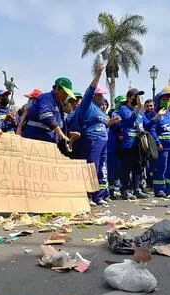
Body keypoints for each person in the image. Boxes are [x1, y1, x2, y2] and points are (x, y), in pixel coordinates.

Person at [73, 65, 121, 206]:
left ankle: (99, 196)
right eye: (101, 95)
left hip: (103, 141)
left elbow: (103, 124)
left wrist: (111, 122)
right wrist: (99, 74)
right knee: (91, 167)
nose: (103, 97)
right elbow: (89, 91)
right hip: (92, 140)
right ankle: (88, 195)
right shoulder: (87, 105)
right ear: (95, 96)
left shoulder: (100, 111)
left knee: (102, 168)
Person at [114, 88, 150, 200]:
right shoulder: (124, 109)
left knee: (138, 168)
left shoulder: (141, 112)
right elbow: (129, 121)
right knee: (126, 168)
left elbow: (147, 124)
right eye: (136, 96)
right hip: (128, 144)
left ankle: (137, 189)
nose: (138, 99)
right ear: (129, 98)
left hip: (138, 145)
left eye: (139, 96)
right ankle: (125, 190)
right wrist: (139, 107)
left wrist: (157, 116)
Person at [150, 92, 170, 198]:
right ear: (159, 101)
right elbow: (152, 129)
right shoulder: (155, 113)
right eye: (164, 100)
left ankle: (169, 189)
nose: (166, 102)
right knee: (161, 168)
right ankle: (159, 190)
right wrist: (157, 143)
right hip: (162, 147)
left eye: (168, 100)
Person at [22, 77, 74, 143]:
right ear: (57, 89)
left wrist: (68, 134)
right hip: (35, 139)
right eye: (65, 93)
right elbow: (46, 115)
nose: (66, 96)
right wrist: (59, 131)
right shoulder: (46, 98)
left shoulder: (59, 105)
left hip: (48, 141)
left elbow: (60, 123)